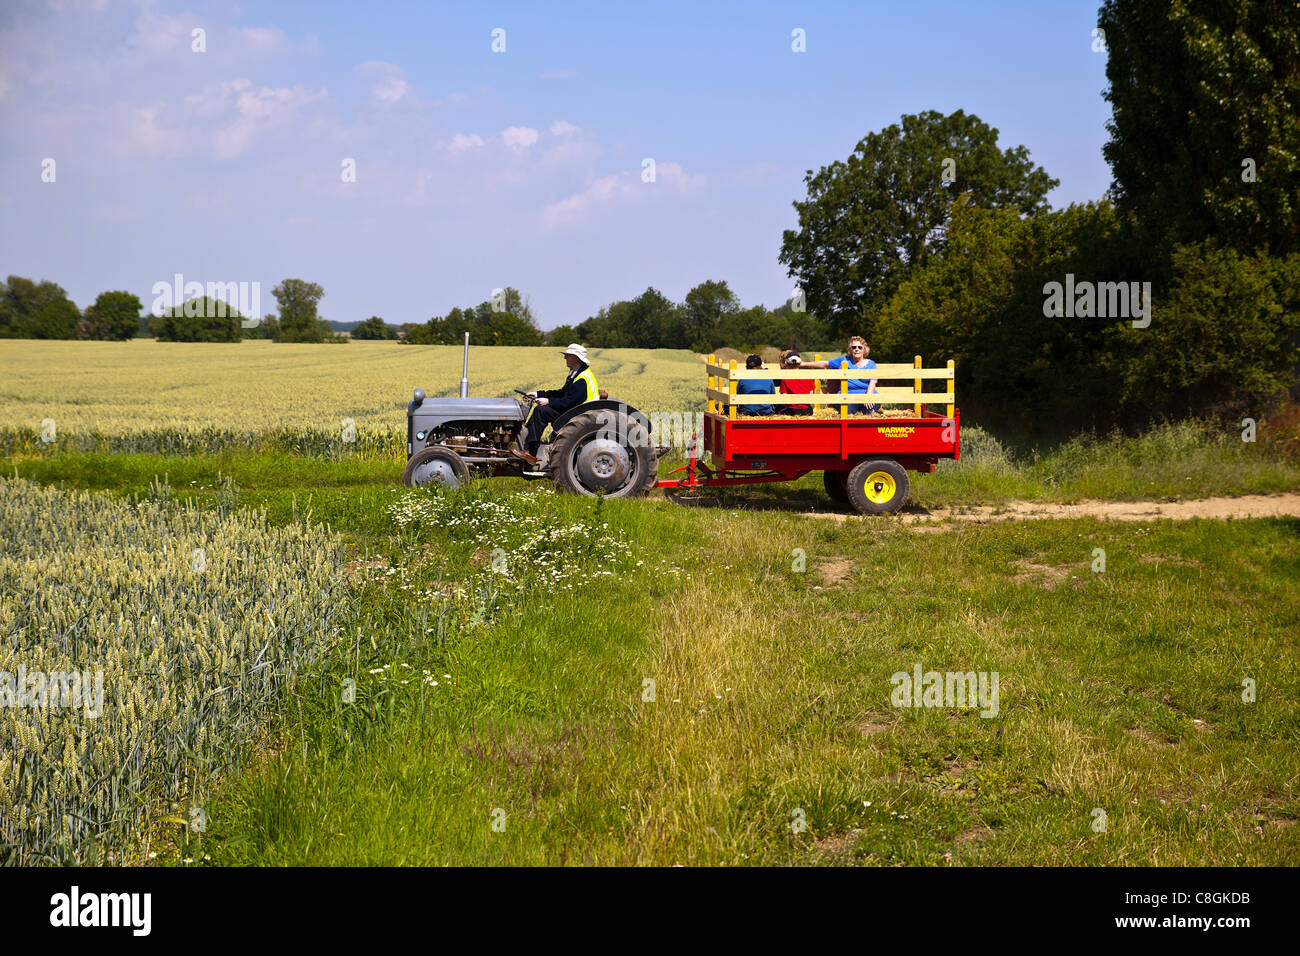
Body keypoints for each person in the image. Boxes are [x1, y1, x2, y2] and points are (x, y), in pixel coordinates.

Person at [510, 343, 600, 464]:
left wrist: (548, 401)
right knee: (542, 409)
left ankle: (530, 452)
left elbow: (569, 402)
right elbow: (561, 393)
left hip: (580, 417)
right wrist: (538, 394)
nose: (565, 358)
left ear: (576, 358)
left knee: (540, 411)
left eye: (568, 355)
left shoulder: (582, 379)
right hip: (577, 413)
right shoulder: (577, 374)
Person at [799, 336, 880, 414]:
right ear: (850, 350)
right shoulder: (843, 360)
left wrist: (868, 397)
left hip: (867, 395)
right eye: (854, 347)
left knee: (870, 412)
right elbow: (824, 364)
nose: (856, 349)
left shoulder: (871, 364)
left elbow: (873, 382)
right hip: (847, 396)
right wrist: (803, 364)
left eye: (860, 347)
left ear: (864, 350)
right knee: (847, 411)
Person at [777, 350, 814, 416]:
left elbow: (784, 398)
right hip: (807, 411)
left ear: (786, 363)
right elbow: (811, 394)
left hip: (792, 411)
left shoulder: (785, 379)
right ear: (800, 363)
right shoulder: (808, 377)